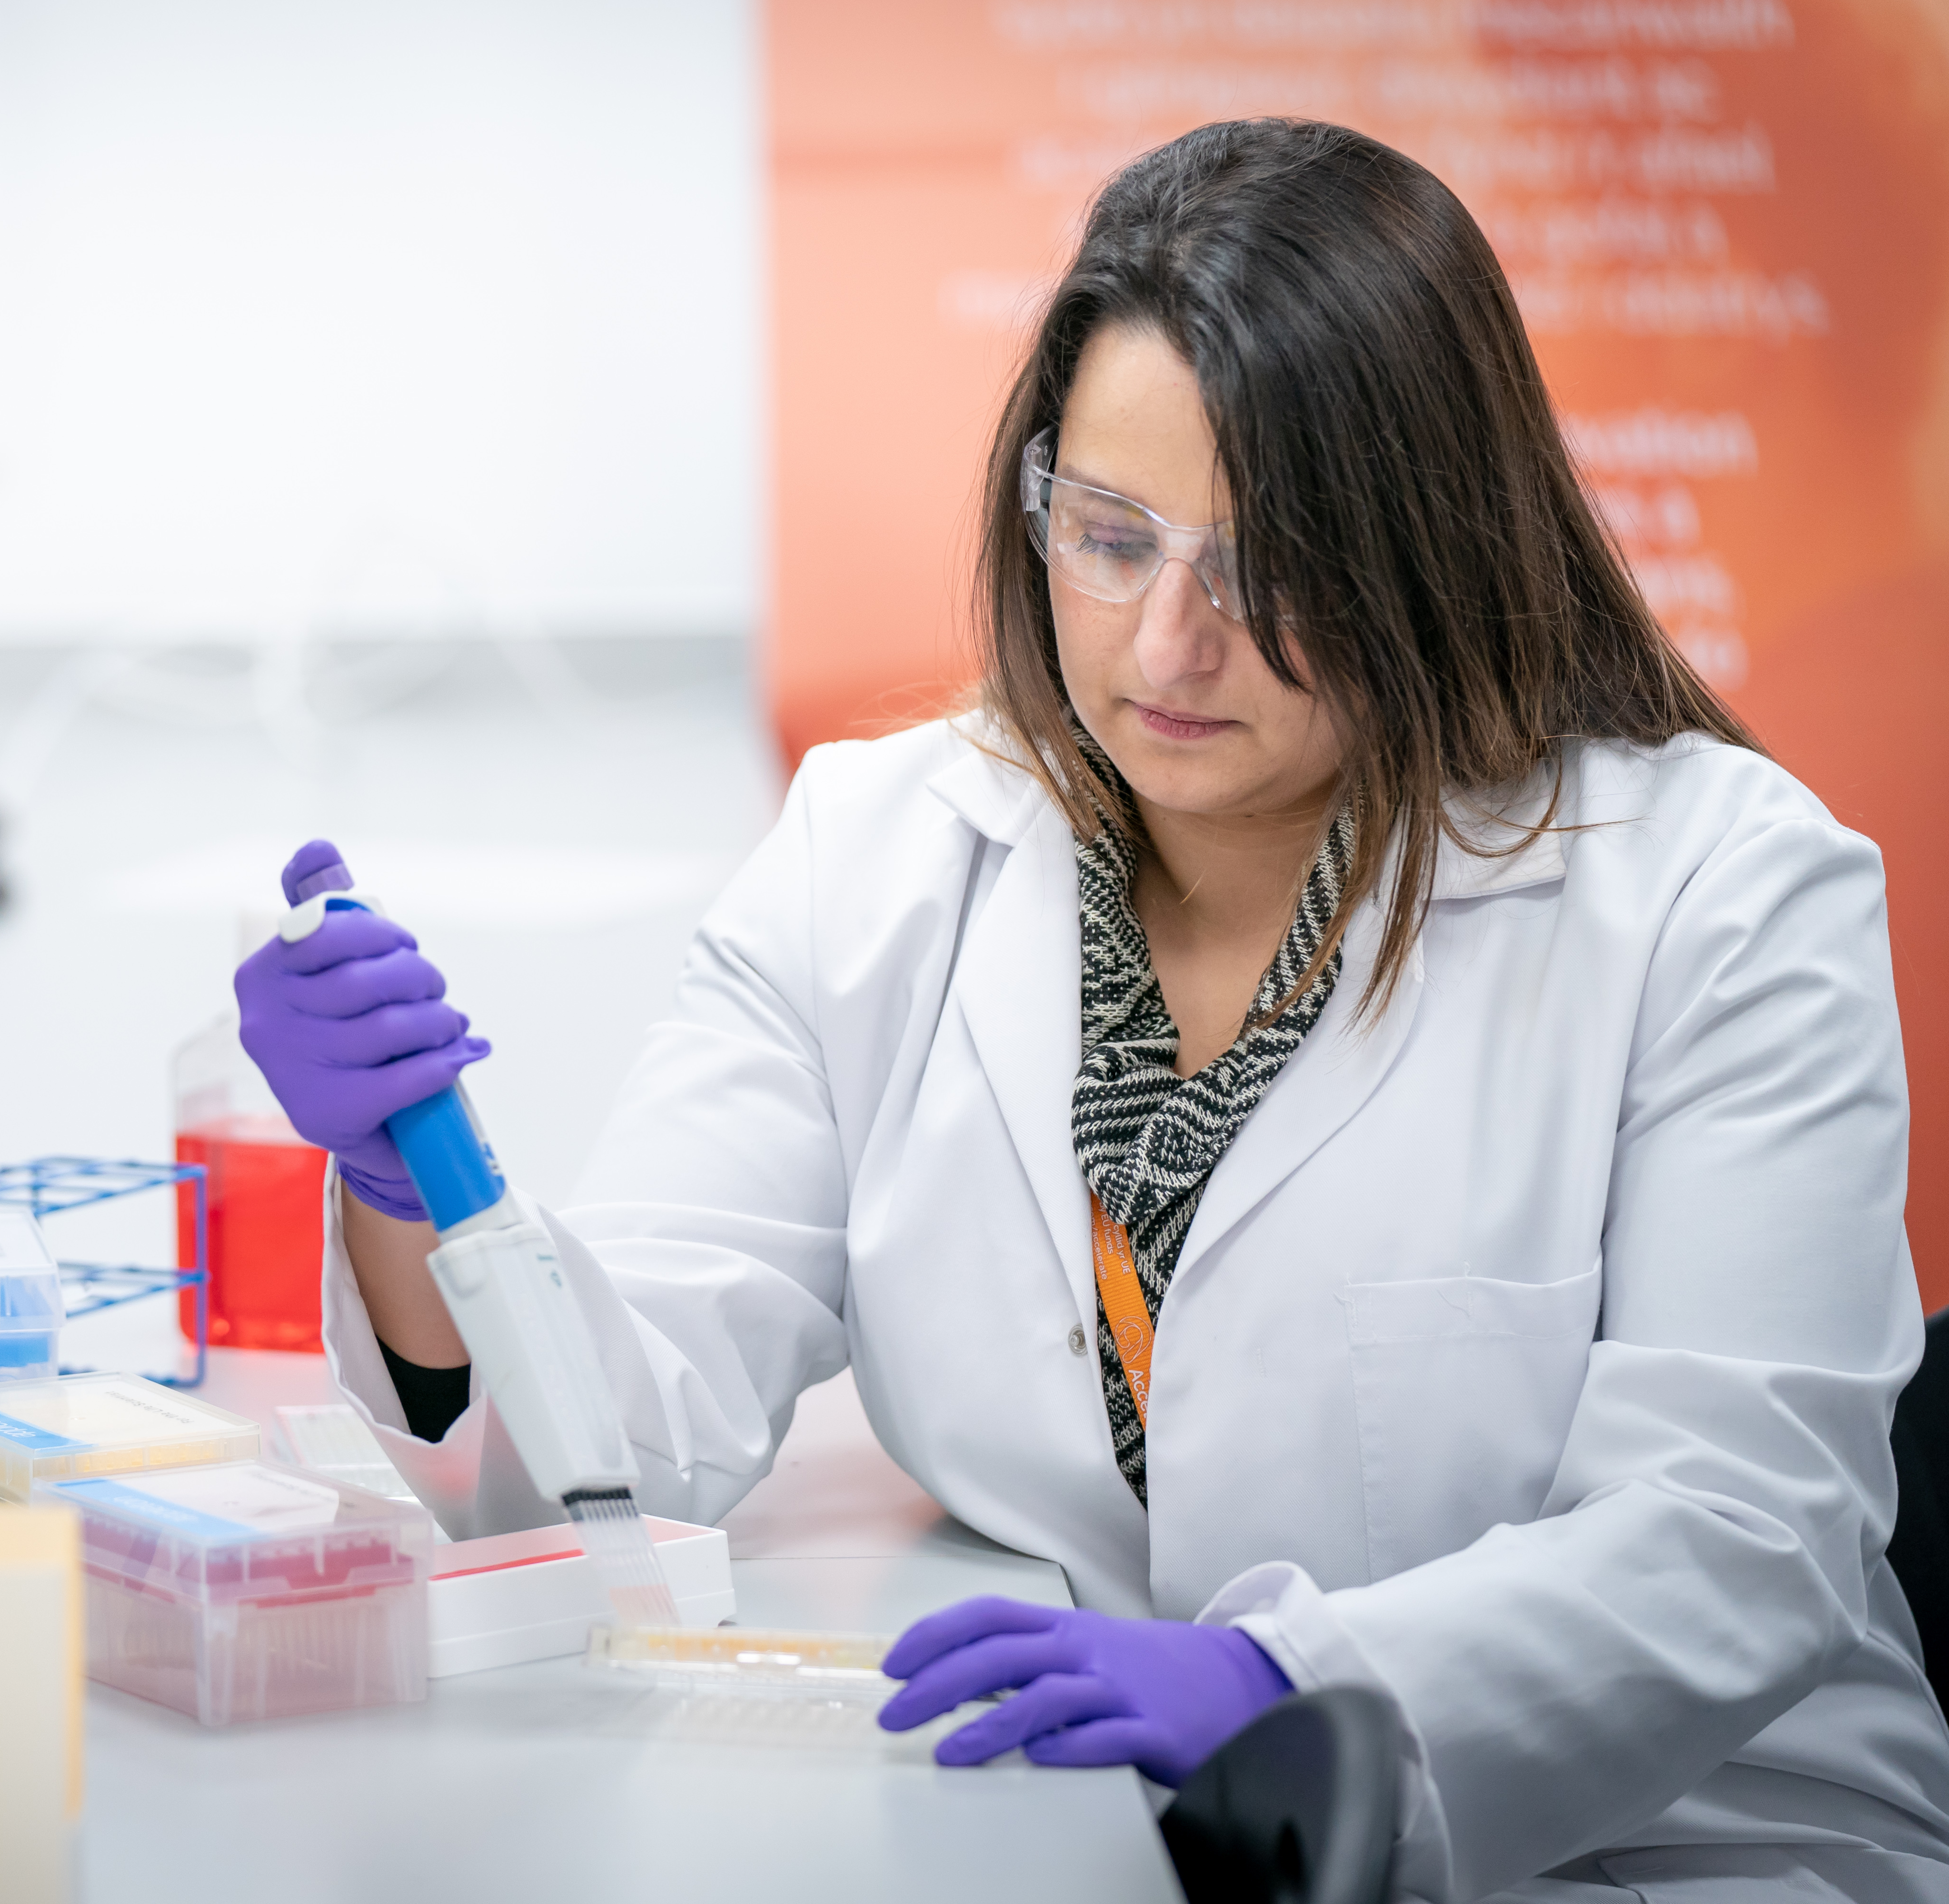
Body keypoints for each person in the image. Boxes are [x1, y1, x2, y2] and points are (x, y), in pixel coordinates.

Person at [234, 119, 1949, 1901]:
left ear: (1432, 546)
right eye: (1111, 539)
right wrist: (409, 1196)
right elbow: (623, 1443)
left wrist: (1284, 1681)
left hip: (1683, 1846)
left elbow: (1733, 1537)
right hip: (1134, 1831)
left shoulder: (1721, 892)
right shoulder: (877, 855)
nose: (1166, 648)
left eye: (1274, 565)